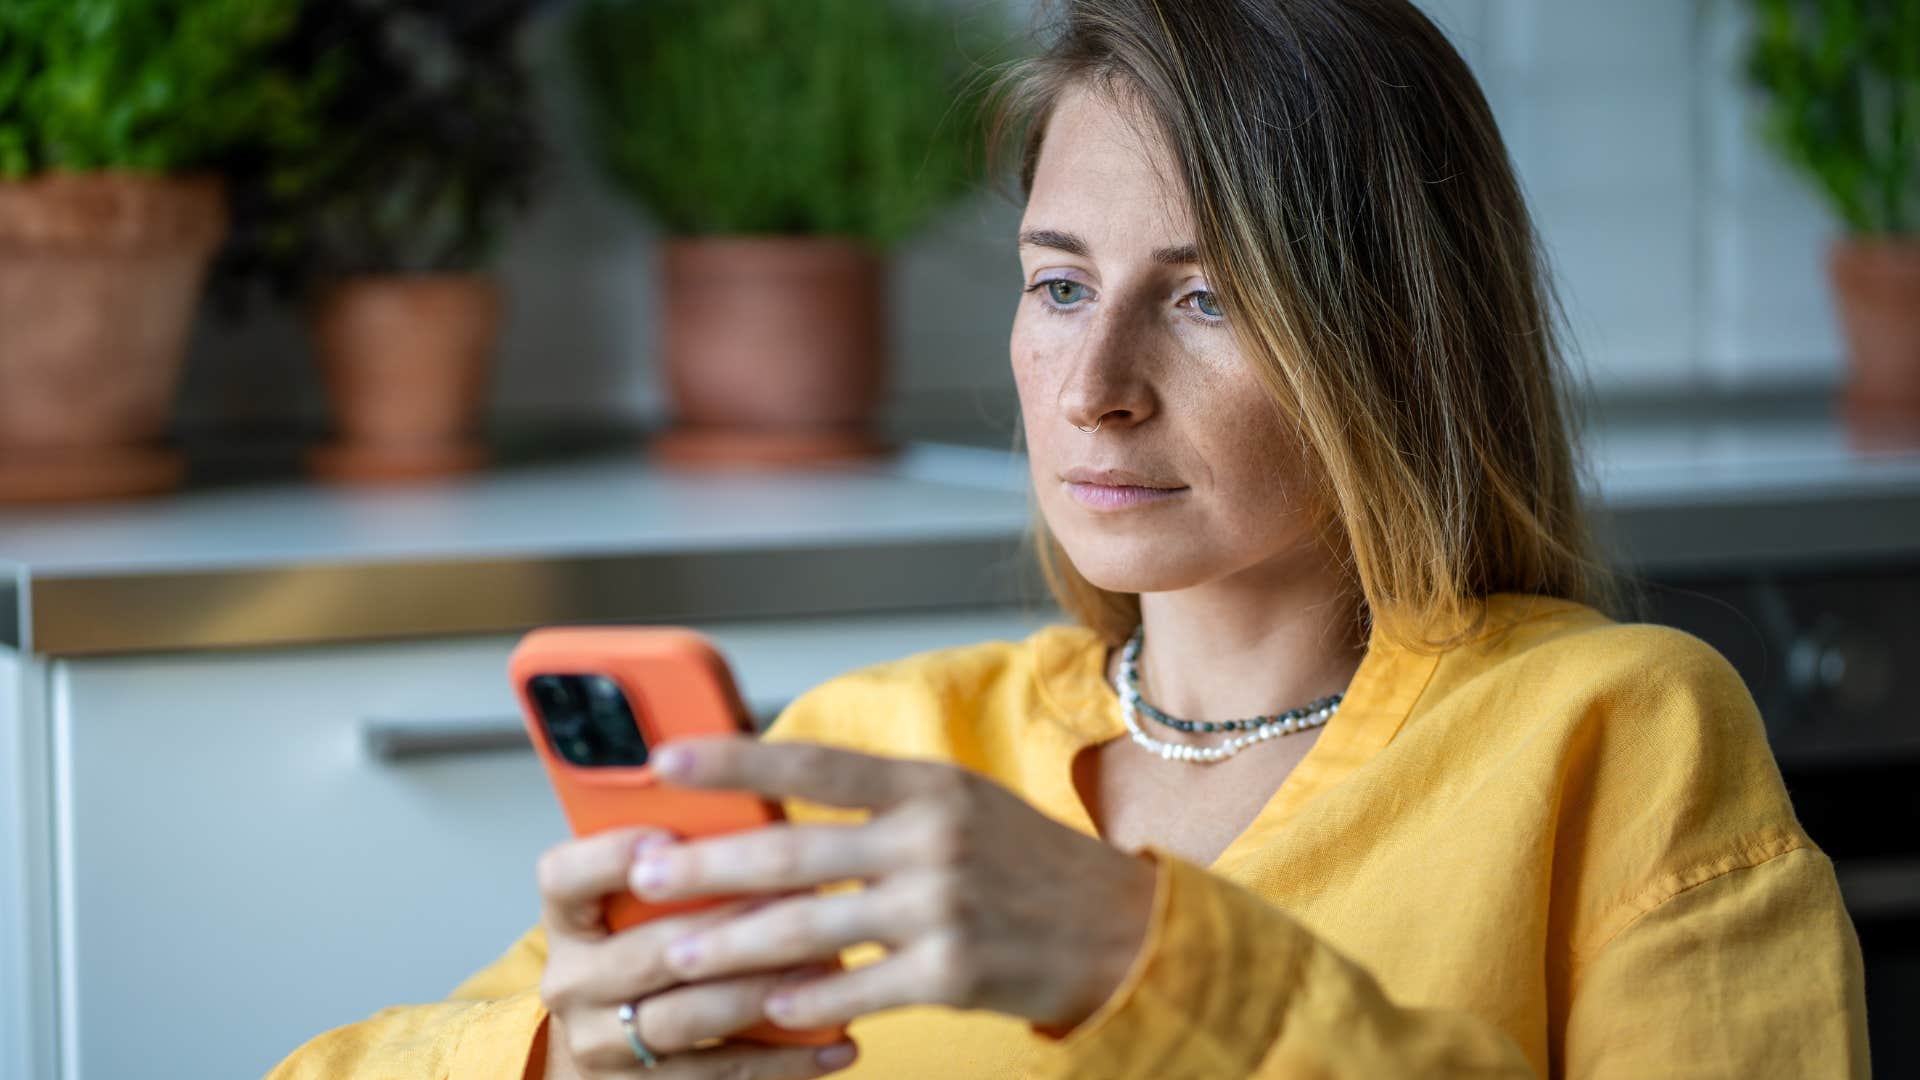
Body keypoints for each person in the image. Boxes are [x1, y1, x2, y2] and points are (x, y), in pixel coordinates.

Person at [268, 1, 1870, 1076]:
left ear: (1394, 337)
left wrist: (1150, 963)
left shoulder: (1614, 737)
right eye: (1056, 284)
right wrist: (565, 1049)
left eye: (1206, 296)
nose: (1092, 389)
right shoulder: (872, 754)